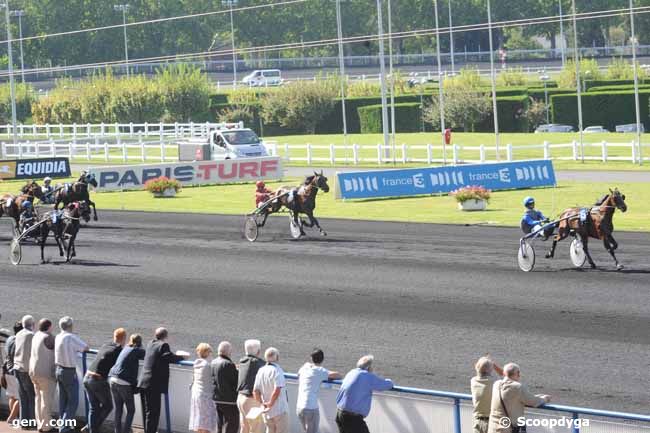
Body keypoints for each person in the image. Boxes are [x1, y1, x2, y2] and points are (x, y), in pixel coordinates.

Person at [137, 327, 187, 433]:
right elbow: (168, 357)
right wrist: (182, 357)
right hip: (153, 385)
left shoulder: (150, 343)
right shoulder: (163, 345)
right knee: (153, 413)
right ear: (166, 336)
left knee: (146, 412)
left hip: (143, 382)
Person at [335, 355, 393, 433]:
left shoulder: (351, 372)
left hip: (340, 414)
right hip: (352, 418)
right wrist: (390, 380)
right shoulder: (367, 376)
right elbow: (386, 385)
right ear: (369, 367)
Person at [84, 328, 126, 433]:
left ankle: (90, 428)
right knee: (108, 406)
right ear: (124, 338)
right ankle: (91, 428)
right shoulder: (119, 351)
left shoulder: (106, 345)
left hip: (87, 377)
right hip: (98, 380)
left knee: (93, 408)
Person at [487, 363, 551, 433]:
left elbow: (510, 397)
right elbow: (534, 402)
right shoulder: (518, 387)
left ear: (504, 373)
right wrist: (545, 399)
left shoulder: (496, 384)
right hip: (507, 430)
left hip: (493, 428)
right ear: (517, 374)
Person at [55, 316, 89, 433]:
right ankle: (64, 428)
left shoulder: (58, 336)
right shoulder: (71, 337)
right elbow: (85, 347)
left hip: (59, 369)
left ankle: (63, 424)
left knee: (62, 400)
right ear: (70, 326)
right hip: (69, 371)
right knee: (73, 401)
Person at [296, 348, 341, 433]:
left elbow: (299, 374)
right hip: (311, 408)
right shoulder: (320, 371)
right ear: (322, 359)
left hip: (299, 407)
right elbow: (338, 375)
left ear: (311, 358)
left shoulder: (305, 367)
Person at [109, 334, 146, 433]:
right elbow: (148, 355)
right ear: (139, 343)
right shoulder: (136, 350)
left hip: (113, 379)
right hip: (123, 383)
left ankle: (117, 431)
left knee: (118, 409)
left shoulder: (125, 348)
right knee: (131, 410)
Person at [29, 319, 57, 432]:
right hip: (45, 373)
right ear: (49, 327)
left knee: (38, 398)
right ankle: (46, 426)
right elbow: (58, 348)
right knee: (46, 400)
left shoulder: (36, 335)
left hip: (33, 372)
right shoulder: (49, 337)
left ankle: (40, 423)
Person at [253, 347, 289, 433]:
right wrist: (270, 404)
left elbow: (255, 391)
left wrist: (262, 404)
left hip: (267, 411)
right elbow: (277, 389)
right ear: (277, 358)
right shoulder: (277, 371)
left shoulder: (261, 370)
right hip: (279, 410)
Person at [236, 339, 265, 433]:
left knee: (244, 428)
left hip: (241, 398)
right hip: (252, 400)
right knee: (256, 429)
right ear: (258, 351)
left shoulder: (242, 361)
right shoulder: (260, 364)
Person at [471, 356, 504, 433]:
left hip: (478, 423)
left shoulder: (473, 381)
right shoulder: (495, 382)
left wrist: (486, 363)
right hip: (492, 423)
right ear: (490, 369)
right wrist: (494, 365)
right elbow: (507, 374)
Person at [14, 315, 36, 428]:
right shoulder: (31, 335)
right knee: (31, 397)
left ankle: (24, 423)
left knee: (22, 397)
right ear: (32, 324)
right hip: (26, 370)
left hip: (17, 368)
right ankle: (32, 423)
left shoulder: (18, 334)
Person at [211, 341, 239, 433]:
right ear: (228, 352)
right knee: (232, 424)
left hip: (217, 398)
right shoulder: (228, 364)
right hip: (229, 400)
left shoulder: (213, 362)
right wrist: (237, 370)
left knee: (220, 423)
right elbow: (235, 381)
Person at [189, 343, 217, 433]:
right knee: (206, 424)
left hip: (196, 394)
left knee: (198, 420)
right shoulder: (208, 366)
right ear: (208, 353)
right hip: (206, 396)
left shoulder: (196, 363)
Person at [4, 321, 23, 424]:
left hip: (7, 369)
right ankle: (11, 418)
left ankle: (13, 418)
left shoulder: (9, 339)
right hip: (15, 371)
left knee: (12, 396)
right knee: (20, 397)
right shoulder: (19, 341)